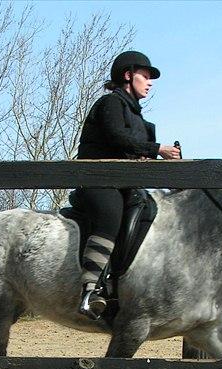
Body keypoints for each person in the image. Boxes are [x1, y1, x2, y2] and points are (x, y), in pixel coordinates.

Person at [72, 50, 181, 319]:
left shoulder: (141, 119)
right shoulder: (110, 104)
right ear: (128, 76)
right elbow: (117, 137)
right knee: (111, 214)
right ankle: (91, 289)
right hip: (97, 181)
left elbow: (136, 152)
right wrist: (158, 149)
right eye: (145, 75)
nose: (150, 82)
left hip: (125, 184)